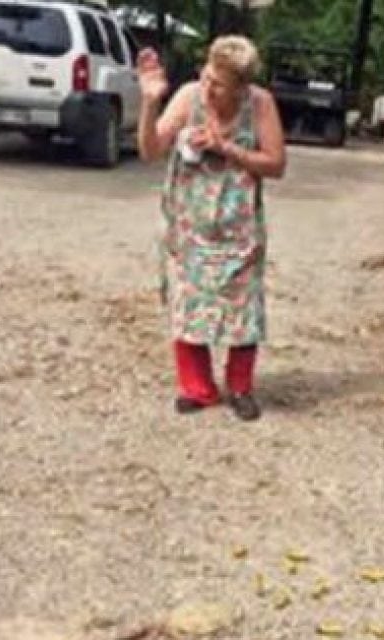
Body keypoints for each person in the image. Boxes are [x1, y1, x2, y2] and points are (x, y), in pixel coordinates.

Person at [135, 35, 286, 421]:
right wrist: (151, 102)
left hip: (240, 227)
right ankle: (197, 388)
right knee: (188, 304)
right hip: (190, 225)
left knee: (243, 307)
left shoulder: (260, 104)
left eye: (217, 84)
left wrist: (227, 148)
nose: (207, 87)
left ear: (241, 86)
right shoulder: (188, 97)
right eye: (205, 77)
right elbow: (150, 151)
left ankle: (240, 387)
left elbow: (276, 164)